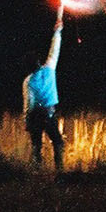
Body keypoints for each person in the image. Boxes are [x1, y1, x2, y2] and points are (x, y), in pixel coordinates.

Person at [23, 10, 65, 171]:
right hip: (49, 113)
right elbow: (55, 49)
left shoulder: (28, 81)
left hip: (35, 115)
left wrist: (27, 121)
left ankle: (36, 169)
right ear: (38, 62)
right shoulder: (49, 69)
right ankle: (59, 169)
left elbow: (29, 103)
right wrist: (57, 32)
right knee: (57, 142)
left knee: (36, 144)